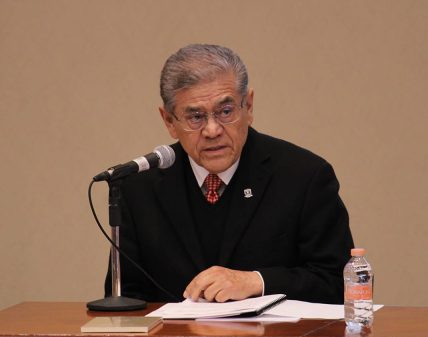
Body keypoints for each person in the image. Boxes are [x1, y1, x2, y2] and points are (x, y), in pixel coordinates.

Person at [105, 44, 353, 304]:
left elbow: (340, 283)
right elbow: (123, 299)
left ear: (249, 106)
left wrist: (257, 282)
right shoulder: (138, 188)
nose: (212, 130)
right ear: (169, 121)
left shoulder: (303, 176)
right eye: (196, 117)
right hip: (176, 332)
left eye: (225, 112)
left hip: (273, 331)